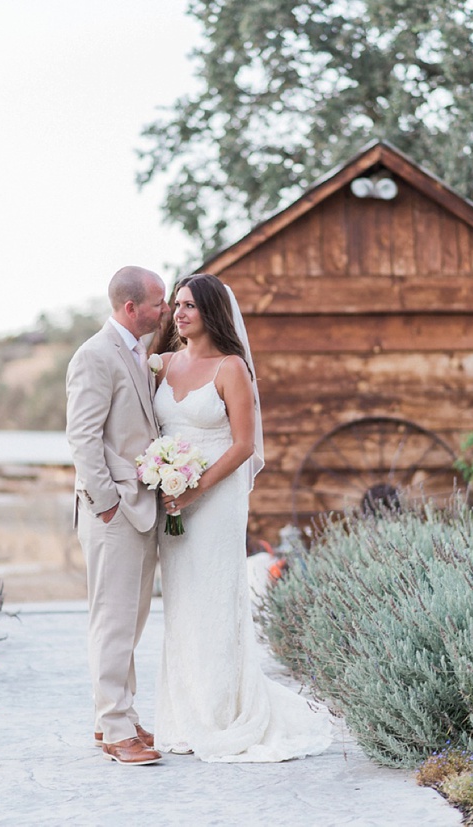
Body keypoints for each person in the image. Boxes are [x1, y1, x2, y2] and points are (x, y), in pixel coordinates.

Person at [152, 273, 332, 762]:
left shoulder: (232, 368)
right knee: (182, 605)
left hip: (215, 498)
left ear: (212, 312)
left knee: (214, 601)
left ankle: (221, 714)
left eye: (190, 305)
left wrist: (195, 489)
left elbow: (244, 445)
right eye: (177, 304)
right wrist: (165, 479)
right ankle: (182, 713)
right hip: (173, 500)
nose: (181, 313)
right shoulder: (162, 363)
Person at [66, 265, 169, 766]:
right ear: (132, 308)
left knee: (130, 619)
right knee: (112, 619)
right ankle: (113, 725)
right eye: (158, 302)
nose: (165, 310)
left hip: (141, 506)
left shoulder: (138, 353)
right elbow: (83, 437)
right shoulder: (93, 356)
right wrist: (106, 502)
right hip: (112, 511)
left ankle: (118, 716)